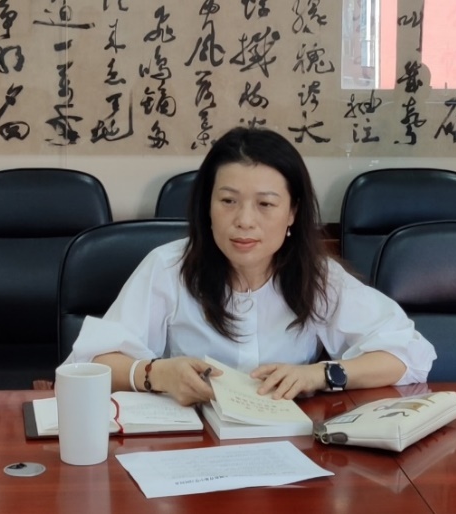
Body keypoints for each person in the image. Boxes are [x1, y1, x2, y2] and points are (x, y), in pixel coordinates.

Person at [64, 127, 436, 405]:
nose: (244, 220)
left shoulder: (319, 277)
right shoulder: (167, 268)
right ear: (207, 207)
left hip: (288, 443)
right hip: (193, 446)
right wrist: (156, 373)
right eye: (228, 201)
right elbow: (90, 362)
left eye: (265, 204)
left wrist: (318, 375)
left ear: (292, 213)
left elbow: (408, 354)